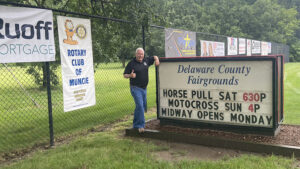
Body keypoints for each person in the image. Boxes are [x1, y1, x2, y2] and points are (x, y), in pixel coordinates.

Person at [123, 48, 160, 133]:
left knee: (140, 107)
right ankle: (140, 126)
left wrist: (157, 60)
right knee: (140, 106)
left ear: (143, 55)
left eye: (142, 54)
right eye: (139, 54)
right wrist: (130, 75)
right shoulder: (131, 63)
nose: (140, 56)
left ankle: (135, 124)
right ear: (136, 54)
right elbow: (124, 75)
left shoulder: (146, 60)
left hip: (144, 88)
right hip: (135, 88)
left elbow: (154, 56)